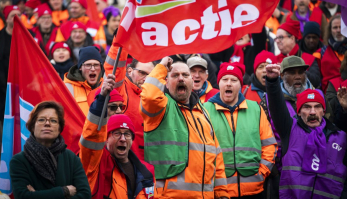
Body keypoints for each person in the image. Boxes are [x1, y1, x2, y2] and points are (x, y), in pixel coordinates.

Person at [140, 57, 229, 198]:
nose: (181, 78)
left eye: (185, 75)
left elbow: (216, 156)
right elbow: (149, 96)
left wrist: (222, 193)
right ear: (166, 83)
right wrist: (162, 67)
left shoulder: (203, 112)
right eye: (175, 75)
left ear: (192, 82)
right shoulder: (160, 109)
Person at [265, 61, 347, 199]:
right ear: (298, 112)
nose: (313, 112)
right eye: (307, 107)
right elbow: (277, 106)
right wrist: (272, 81)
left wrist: (345, 110)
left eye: (317, 107)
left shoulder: (340, 137)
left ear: (324, 110)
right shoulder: (289, 131)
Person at [203, 62, 277, 198]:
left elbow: (269, 145)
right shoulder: (205, 110)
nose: (229, 83)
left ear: (241, 84)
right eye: (225, 79)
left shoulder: (255, 109)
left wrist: (262, 173)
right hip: (219, 191)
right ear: (218, 84)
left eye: (234, 80)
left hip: (254, 191)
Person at [79, 75, 155, 199]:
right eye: (117, 133)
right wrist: (101, 99)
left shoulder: (146, 171)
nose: (123, 139)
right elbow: (92, 138)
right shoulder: (96, 162)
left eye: (127, 134)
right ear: (107, 137)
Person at [9, 101, 91, 199]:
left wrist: (38, 195)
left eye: (53, 121)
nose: (47, 123)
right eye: (41, 120)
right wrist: (64, 191)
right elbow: (23, 196)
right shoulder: (19, 161)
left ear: (59, 128)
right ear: (32, 126)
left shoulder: (71, 158)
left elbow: (85, 195)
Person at [104, 46, 155, 161]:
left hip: (148, 163)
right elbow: (114, 69)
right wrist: (119, 43)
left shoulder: (156, 96)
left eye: (150, 75)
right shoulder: (122, 89)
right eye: (142, 73)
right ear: (130, 70)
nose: (146, 78)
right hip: (122, 158)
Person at [275, 20, 321, 88]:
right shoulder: (274, 59)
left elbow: (316, 81)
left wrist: (297, 69)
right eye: (276, 38)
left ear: (292, 38)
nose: (277, 41)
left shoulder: (309, 58)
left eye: (281, 37)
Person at [0, 5, 21, 123]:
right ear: (6, 19)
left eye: (19, 15)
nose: (16, 18)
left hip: (23, 84)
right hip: (2, 85)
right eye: (13, 15)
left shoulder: (29, 36)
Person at [64, 46, 104, 116]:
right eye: (88, 65)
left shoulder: (105, 86)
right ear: (80, 67)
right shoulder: (67, 87)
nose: (92, 69)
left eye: (96, 65)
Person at [320, 14, 347, 92]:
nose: (338, 30)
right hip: (330, 94)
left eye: (341, 27)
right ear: (330, 30)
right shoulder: (322, 52)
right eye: (335, 27)